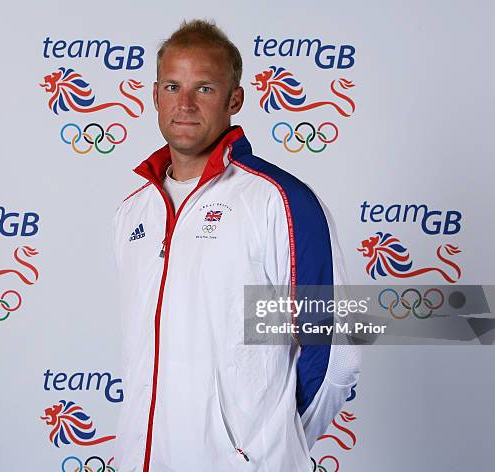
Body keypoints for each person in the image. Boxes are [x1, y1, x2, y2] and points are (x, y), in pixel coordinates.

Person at [112, 19, 361, 472]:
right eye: (172, 86)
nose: (184, 104)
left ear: (235, 99)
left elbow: (334, 353)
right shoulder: (134, 211)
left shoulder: (277, 201)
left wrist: (263, 448)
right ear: (154, 95)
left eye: (204, 89)